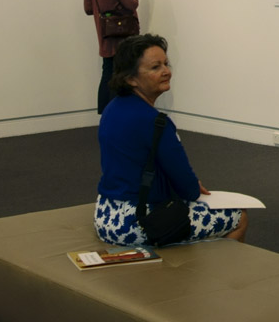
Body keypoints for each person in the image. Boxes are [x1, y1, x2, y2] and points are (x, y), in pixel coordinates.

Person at [94, 35, 245, 247]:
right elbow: (189, 189)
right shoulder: (156, 123)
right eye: (155, 67)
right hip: (139, 222)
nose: (166, 71)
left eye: (166, 64)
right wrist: (193, 186)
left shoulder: (112, 109)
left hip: (106, 215)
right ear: (130, 78)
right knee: (239, 217)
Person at [83, 0, 140, 114]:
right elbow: (130, 3)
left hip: (104, 33)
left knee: (107, 72)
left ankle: (106, 115)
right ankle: (120, 114)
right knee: (124, 74)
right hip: (122, 35)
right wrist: (136, 0)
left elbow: (88, 8)